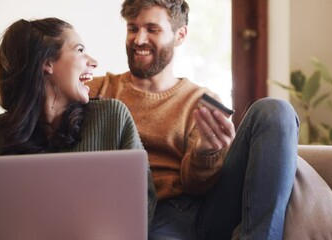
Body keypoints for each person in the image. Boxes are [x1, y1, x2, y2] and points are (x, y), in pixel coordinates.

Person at [87, 0, 299, 239]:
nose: (139, 39)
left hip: (205, 209)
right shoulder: (99, 89)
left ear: (180, 35)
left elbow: (196, 187)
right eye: (133, 28)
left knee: (275, 110)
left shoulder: (201, 101)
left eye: (152, 29)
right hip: (142, 210)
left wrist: (205, 152)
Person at [0, 17, 156, 226]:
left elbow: (144, 202)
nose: (93, 62)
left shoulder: (112, 117)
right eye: (80, 50)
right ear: (47, 63)